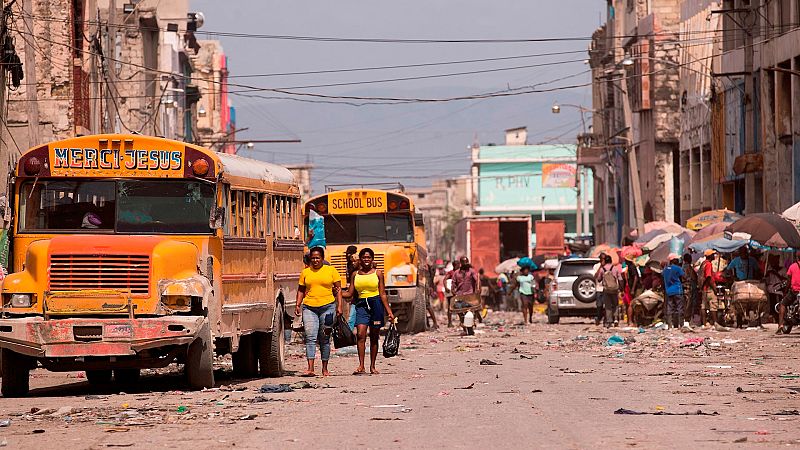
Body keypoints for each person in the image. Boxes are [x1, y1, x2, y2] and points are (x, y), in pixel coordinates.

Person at [343, 248, 395, 374]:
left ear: (372, 259)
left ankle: (372, 366)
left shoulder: (378, 273)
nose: (366, 259)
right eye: (364, 257)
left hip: (376, 304)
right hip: (361, 305)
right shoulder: (355, 275)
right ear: (360, 259)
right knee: (360, 334)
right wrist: (337, 292)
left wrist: (389, 312)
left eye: (369, 257)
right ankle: (361, 366)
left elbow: (382, 294)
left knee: (374, 336)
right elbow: (350, 293)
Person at [295, 247, 343, 377]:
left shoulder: (331, 270)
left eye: (318, 258)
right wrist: (298, 304)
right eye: (313, 258)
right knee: (310, 337)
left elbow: (338, 289)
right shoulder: (305, 272)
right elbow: (300, 289)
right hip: (309, 308)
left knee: (325, 338)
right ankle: (310, 368)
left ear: (322, 258)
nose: (315, 260)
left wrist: (339, 306)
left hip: (328, 308)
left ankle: (324, 368)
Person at [448, 256, 479, 326]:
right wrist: (452, 290)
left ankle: (473, 320)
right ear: (461, 263)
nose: (465, 263)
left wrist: (477, 288)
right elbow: (453, 282)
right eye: (463, 262)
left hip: (470, 295)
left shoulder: (471, 271)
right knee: (458, 309)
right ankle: (462, 320)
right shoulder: (456, 273)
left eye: (466, 262)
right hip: (460, 295)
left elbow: (477, 280)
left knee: (472, 309)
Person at [700, 249, 725, 329]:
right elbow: (708, 277)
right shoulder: (708, 264)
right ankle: (715, 323)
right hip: (709, 288)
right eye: (712, 255)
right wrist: (714, 288)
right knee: (713, 305)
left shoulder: (703, 264)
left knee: (703, 306)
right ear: (709, 256)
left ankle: (704, 324)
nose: (714, 256)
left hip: (703, 288)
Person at [595, 254, 621, 328]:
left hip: (606, 290)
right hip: (614, 289)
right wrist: (621, 289)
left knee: (608, 306)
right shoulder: (615, 268)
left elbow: (599, 279)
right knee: (615, 305)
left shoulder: (602, 269)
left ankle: (609, 321)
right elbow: (620, 279)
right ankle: (616, 319)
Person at [777, 252, 800, 334]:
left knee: (783, 304)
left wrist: (785, 291)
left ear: (797, 257)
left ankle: (780, 325)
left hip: (795, 291)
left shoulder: (792, 266)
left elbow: (789, 281)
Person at [662, 253, 686, 329]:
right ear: (674, 260)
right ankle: (680, 325)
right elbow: (684, 277)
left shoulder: (665, 269)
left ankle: (670, 324)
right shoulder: (677, 268)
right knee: (680, 307)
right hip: (677, 290)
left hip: (669, 291)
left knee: (670, 308)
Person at [764, 254, 786, 324]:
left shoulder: (783, 270)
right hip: (771, 290)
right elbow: (767, 281)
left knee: (781, 304)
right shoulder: (769, 271)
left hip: (780, 289)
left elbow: (786, 279)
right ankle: (774, 317)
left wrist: (777, 274)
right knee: (772, 304)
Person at [682, 253, 699, 326]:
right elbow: (693, 278)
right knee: (688, 304)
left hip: (685, 287)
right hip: (689, 287)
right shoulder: (688, 267)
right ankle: (687, 319)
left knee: (686, 303)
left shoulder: (683, 267)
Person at [444, 260, 460, 327]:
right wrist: (446, 288)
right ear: (454, 265)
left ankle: (461, 322)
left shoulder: (460, 272)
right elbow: (445, 280)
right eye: (457, 264)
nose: (458, 266)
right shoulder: (451, 273)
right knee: (450, 307)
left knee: (460, 307)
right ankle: (450, 323)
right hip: (451, 292)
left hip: (458, 291)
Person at [592, 254, 606, 326]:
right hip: (599, 288)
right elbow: (595, 276)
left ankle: (606, 320)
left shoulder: (608, 266)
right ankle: (598, 318)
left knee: (607, 305)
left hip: (606, 288)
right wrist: (601, 266)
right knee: (599, 305)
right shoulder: (596, 266)